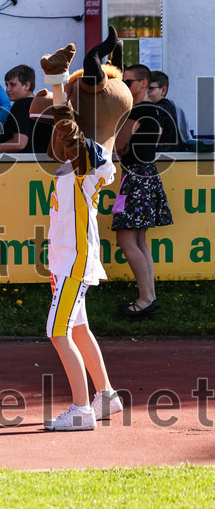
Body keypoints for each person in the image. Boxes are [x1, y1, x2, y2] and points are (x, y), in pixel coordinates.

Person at [38, 35, 125, 431]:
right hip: (67, 258)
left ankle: (80, 409)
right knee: (78, 328)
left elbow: (68, 130)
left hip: (74, 259)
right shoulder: (88, 155)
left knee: (57, 332)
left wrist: (58, 82)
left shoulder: (94, 153)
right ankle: (105, 395)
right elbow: (64, 128)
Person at [114, 64, 175, 318]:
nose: (125, 86)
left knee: (127, 239)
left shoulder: (138, 111)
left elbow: (118, 146)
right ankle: (149, 297)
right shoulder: (157, 111)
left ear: (142, 83)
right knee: (139, 239)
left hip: (136, 177)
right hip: (145, 174)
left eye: (128, 82)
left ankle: (146, 298)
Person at [0, 65, 43, 153]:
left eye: (12, 85)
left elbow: (19, 143)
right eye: (6, 85)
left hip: (23, 163)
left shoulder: (20, 105)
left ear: (27, 85)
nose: (7, 89)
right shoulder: (41, 104)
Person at [148, 70, 192, 150]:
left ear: (163, 90)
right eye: (144, 88)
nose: (146, 92)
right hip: (177, 156)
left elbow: (153, 141)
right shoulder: (175, 107)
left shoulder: (157, 110)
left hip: (161, 158)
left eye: (150, 88)